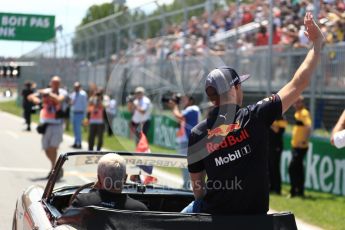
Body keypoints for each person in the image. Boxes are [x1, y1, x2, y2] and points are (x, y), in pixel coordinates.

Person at [182, 12, 323, 214]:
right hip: (255, 220)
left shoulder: (197, 133)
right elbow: (298, 83)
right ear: (236, 88)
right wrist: (317, 43)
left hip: (215, 217)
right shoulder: (256, 115)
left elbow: (197, 186)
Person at [70, 153, 148, 211]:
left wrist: (93, 191)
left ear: (98, 178)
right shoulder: (139, 209)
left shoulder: (81, 202)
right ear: (125, 178)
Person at [28, 76, 67, 179]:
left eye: (57, 83)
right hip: (46, 124)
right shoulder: (46, 91)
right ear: (51, 83)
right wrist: (37, 100)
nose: (55, 85)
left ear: (60, 84)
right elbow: (31, 96)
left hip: (57, 124)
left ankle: (53, 170)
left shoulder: (62, 92)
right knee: (46, 148)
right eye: (53, 83)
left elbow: (59, 100)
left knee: (53, 147)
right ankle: (57, 167)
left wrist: (48, 94)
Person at [168, 94, 201, 188]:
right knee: (182, 163)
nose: (182, 101)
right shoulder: (188, 110)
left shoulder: (193, 108)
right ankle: (186, 183)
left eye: (184, 99)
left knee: (184, 162)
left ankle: (186, 185)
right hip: (185, 140)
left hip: (188, 140)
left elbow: (179, 116)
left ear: (191, 100)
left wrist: (174, 106)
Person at [289, 96, 311, 198]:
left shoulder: (304, 113)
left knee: (292, 168)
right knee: (298, 168)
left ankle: (294, 191)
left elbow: (308, 127)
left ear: (302, 103)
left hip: (301, 147)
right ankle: (299, 191)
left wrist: (304, 140)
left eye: (297, 103)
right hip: (295, 146)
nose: (295, 105)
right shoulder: (297, 113)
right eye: (294, 103)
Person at [268, 115, 288, 195]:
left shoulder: (281, 117)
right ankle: (271, 187)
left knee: (275, 167)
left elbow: (278, 130)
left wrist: (269, 121)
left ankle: (277, 189)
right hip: (269, 145)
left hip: (276, 146)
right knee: (269, 167)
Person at [70, 82, 88, 149]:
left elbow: (85, 105)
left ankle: (79, 143)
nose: (75, 88)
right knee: (74, 129)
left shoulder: (83, 94)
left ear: (79, 87)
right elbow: (72, 103)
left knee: (78, 129)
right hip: (74, 113)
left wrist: (85, 116)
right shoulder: (73, 94)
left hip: (80, 114)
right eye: (75, 87)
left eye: (77, 87)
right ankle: (75, 142)